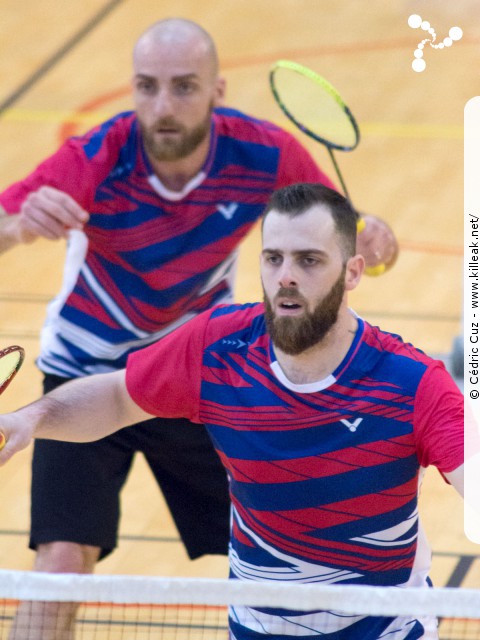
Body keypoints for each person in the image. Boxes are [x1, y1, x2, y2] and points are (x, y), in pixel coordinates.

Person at [0, 17, 398, 640]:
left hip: (197, 373)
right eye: (147, 87)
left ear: (218, 91)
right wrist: (20, 225)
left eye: (184, 87)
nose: (163, 106)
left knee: (281, 550)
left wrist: (374, 242)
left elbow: (344, 241)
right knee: (60, 564)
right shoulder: (96, 157)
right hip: (86, 369)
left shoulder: (262, 153)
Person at [0, 183, 462, 640]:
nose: (285, 276)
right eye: (273, 257)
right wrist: (31, 419)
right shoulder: (220, 348)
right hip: (257, 632)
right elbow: (118, 398)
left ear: (353, 272)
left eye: (309, 260)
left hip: (385, 632)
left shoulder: (412, 383)